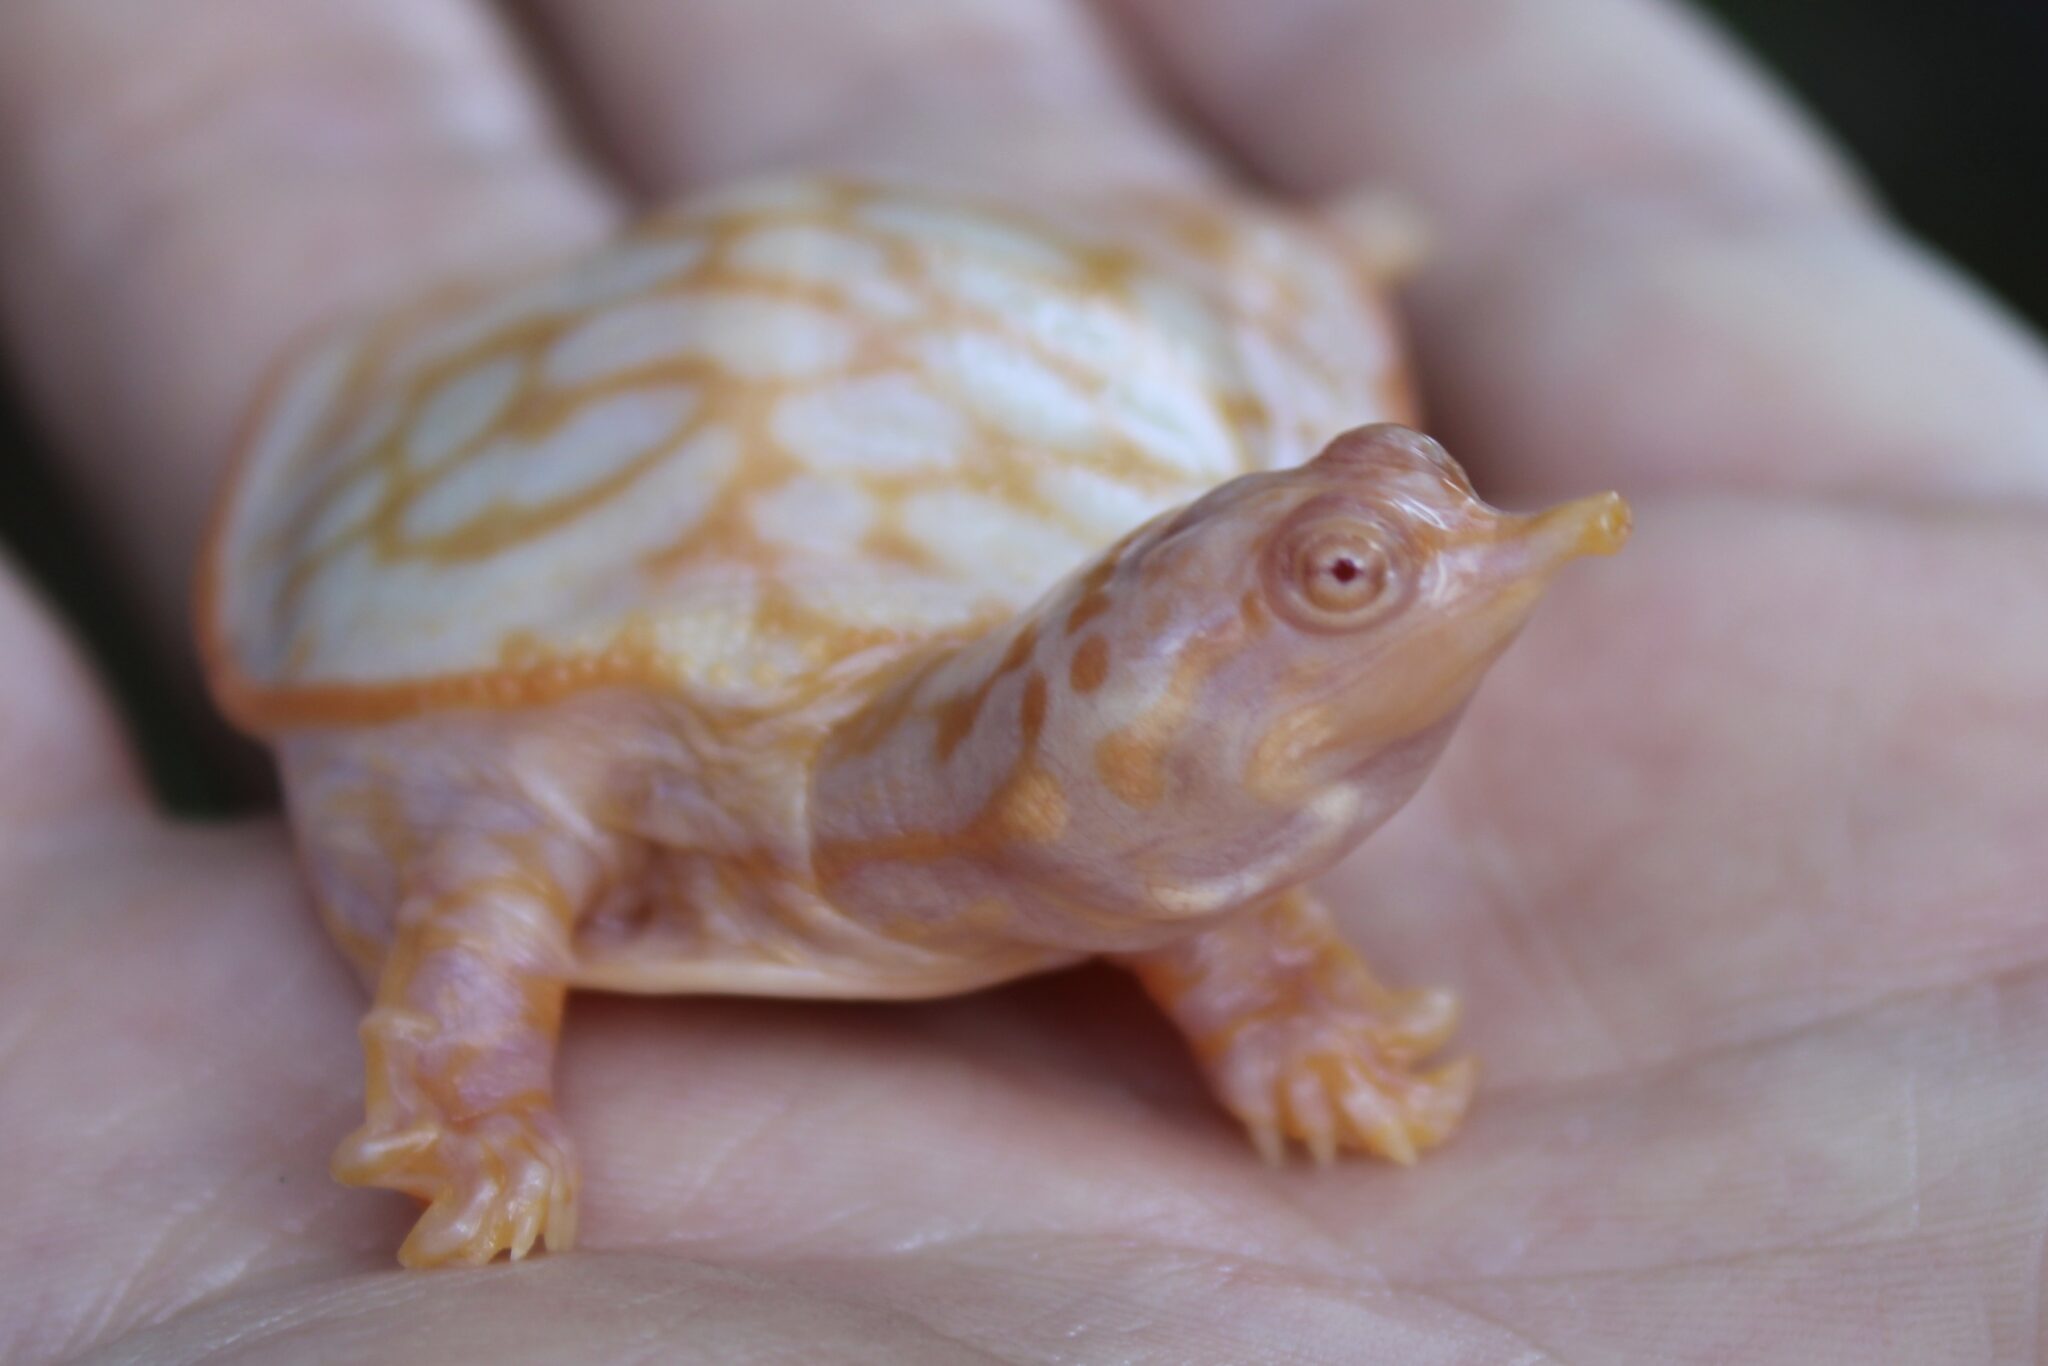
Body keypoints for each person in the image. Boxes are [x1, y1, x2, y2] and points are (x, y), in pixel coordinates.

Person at [2, 1, 2043, 1358]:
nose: (1461, 568)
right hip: (572, 534)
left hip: (992, 375)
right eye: (1347, 577)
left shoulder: (1129, 768)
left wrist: (1274, 990)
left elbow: (1157, 830)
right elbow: (493, 857)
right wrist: (471, 1100)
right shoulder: (661, 729)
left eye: (1371, 541)